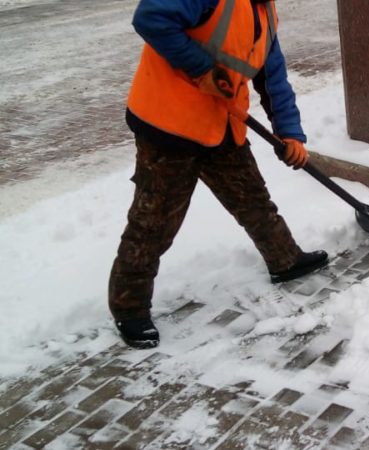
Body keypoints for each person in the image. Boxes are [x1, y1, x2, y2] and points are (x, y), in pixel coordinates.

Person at [109, 0, 328, 349]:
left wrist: (290, 132)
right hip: (170, 127)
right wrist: (202, 68)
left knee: (253, 199)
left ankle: (285, 261)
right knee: (154, 221)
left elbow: (273, 76)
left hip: (222, 123)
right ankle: (129, 306)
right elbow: (151, 18)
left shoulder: (265, 11)